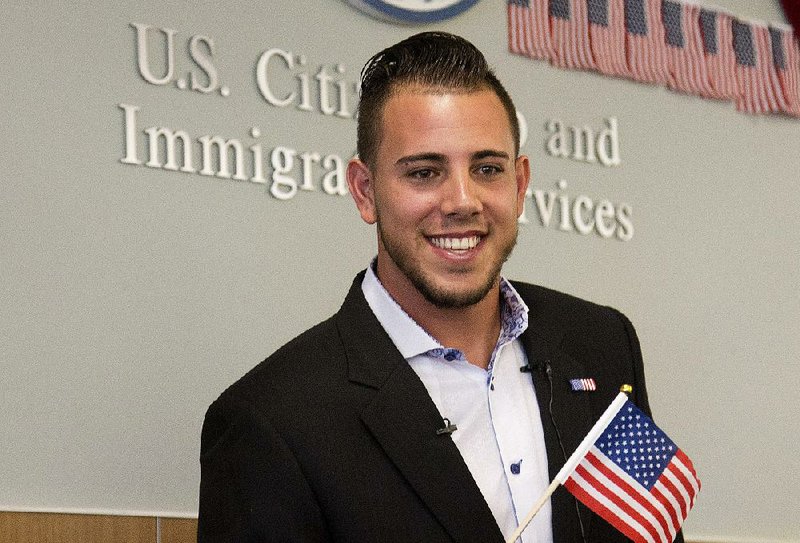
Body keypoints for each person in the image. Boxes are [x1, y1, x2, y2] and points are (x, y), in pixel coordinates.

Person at [198, 31, 677, 543]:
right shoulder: (271, 421)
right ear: (365, 192)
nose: (462, 200)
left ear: (519, 185)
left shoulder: (601, 344)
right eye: (425, 172)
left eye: (487, 168)